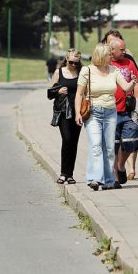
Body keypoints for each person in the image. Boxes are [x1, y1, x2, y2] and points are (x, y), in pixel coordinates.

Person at [75, 42, 136, 191]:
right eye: (109, 54)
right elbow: (79, 94)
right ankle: (95, 179)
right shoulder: (87, 70)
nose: (112, 56)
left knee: (109, 148)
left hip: (110, 112)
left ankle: (109, 180)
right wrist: (77, 112)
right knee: (96, 145)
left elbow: (126, 87)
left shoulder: (114, 70)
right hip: (93, 112)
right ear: (102, 55)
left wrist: (133, 81)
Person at [108, 38, 138, 184]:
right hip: (111, 110)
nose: (124, 52)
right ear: (112, 50)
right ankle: (115, 175)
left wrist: (137, 103)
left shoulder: (129, 62)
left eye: (125, 49)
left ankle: (121, 166)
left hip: (127, 111)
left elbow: (136, 84)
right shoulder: (107, 64)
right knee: (113, 145)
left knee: (131, 141)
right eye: (121, 50)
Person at [49, 49, 82, 185]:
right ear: (66, 59)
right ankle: (63, 173)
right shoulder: (59, 72)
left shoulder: (81, 72)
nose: (73, 65)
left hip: (77, 111)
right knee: (67, 139)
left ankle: (70, 175)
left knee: (74, 142)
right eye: (71, 62)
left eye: (76, 63)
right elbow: (50, 93)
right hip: (63, 112)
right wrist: (58, 91)